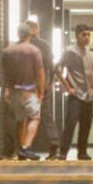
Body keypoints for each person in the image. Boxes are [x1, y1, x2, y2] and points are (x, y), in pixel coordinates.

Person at [1, 22, 45, 161]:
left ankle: (19, 149)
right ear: (30, 35)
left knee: (20, 120)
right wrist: (41, 91)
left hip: (14, 91)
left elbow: (5, 73)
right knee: (34, 117)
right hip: (29, 90)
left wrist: (7, 89)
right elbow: (39, 72)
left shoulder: (7, 51)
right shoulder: (33, 50)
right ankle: (26, 147)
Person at [53, 23, 93, 161]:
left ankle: (82, 152)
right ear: (77, 36)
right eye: (84, 35)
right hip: (76, 94)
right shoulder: (70, 51)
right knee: (71, 123)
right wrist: (67, 87)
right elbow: (57, 68)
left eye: (88, 35)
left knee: (86, 124)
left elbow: (90, 74)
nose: (87, 37)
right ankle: (63, 152)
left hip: (88, 94)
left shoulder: (88, 53)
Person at [26, 19, 60, 159]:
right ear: (37, 30)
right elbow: (51, 66)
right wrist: (50, 82)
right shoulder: (45, 45)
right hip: (43, 85)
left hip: (28, 85)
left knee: (25, 117)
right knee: (46, 115)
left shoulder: (26, 45)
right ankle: (54, 144)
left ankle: (23, 147)